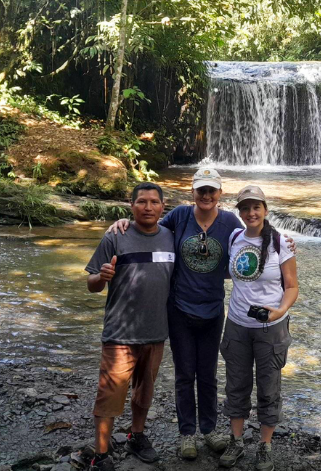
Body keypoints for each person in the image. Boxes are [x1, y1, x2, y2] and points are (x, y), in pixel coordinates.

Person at [108, 168, 295, 460]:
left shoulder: (231, 224)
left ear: (220, 194)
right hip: (180, 308)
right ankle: (187, 434)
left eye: (212, 190)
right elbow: (149, 228)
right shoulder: (179, 217)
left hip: (213, 310)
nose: (206, 195)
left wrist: (285, 243)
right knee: (185, 375)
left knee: (207, 375)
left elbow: (258, 240)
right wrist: (125, 222)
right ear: (192, 192)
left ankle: (208, 431)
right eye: (201, 190)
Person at [85, 182, 175, 471]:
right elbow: (91, 286)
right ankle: (101, 454)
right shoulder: (115, 236)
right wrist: (102, 276)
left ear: (163, 207)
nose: (148, 207)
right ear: (131, 205)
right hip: (120, 333)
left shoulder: (171, 237)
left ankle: (136, 435)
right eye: (141, 202)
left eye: (153, 202)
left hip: (156, 332)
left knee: (144, 391)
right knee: (109, 394)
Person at [219, 185, 298, 471]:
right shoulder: (234, 237)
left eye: (256, 207)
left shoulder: (282, 243)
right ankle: (237, 441)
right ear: (239, 212)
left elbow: (291, 286)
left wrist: (281, 309)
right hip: (237, 324)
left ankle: (265, 446)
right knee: (236, 385)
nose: (251, 213)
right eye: (245, 208)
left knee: (269, 387)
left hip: (271, 328)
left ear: (265, 209)